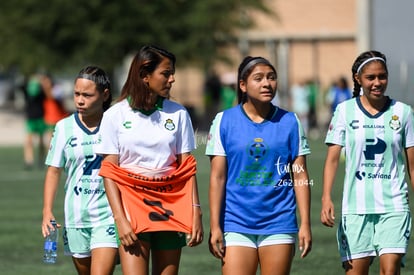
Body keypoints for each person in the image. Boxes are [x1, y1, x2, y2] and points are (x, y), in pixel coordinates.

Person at [96, 45, 203, 275]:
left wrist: (196, 211)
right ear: (145, 75)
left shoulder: (178, 113)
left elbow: (187, 168)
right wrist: (120, 220)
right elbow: (109, 172)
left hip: (171, 205)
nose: (172, 79)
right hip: (131, 207)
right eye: (166, 73)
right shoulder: (114, 115)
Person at [206, 56, 312, 275]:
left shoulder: (290, 121)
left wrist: (305, 223)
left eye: (271, 78)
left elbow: (300, 175)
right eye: (259, 78)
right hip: (235, 222)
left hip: (279, 221)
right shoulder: (223, 121)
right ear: (243, 85)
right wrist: (215, 226)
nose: (267, 83)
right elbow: (217, 178)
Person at [320, 50, 414, 274]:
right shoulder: (344, 110)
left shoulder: (403, 112)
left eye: (382, 76)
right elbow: (332, 160)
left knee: (389, 270)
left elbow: (412, 165)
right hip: (355, 208)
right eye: (371, 77)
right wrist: (326, 198)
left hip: (394, 206)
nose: (377, 82)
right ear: (358, 79)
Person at [41, 66, 118, 275]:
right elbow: (54, 170)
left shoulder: (116, 125)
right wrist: (47, 210)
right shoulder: (64, 127)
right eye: (77, 94)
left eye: (87, 95)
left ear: (104, 94)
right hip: (75, 218)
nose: (80, 100)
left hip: (108, 216)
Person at [22, 74, 47, 170]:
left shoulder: (41, 91)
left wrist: (41, 83)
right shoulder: (26, 90)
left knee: (41, 141)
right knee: (29, 141)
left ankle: (41, 159)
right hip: (30, 118)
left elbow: (47, 95)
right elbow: (21, 85)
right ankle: (29, 160)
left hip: (40, 118)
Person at [40, 73, 69, 146]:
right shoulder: (41, 91)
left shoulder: (57, 89)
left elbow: (52, 96)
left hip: (60, 117)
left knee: (63, 140)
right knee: (50, 141)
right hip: (50, 119)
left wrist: (47, 88)